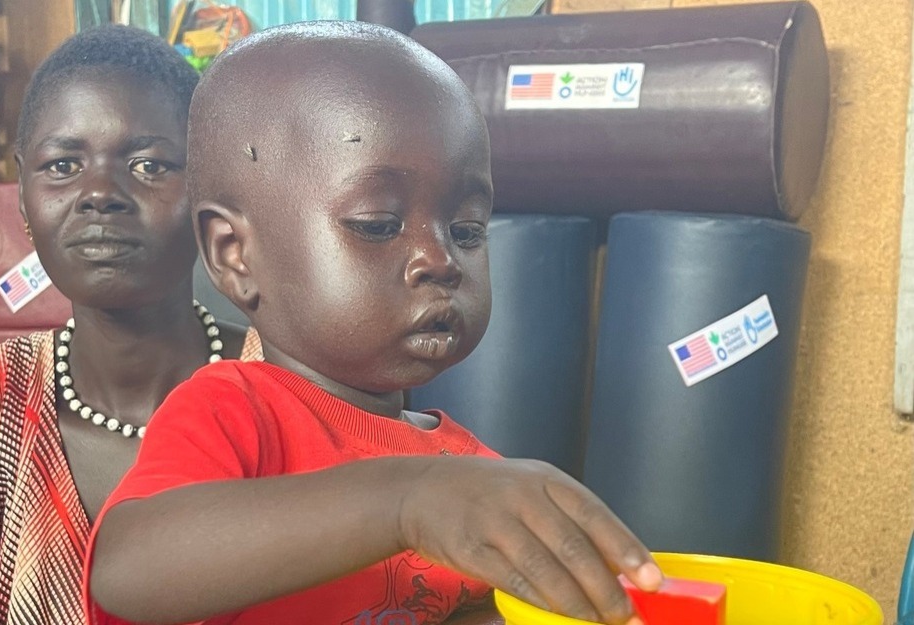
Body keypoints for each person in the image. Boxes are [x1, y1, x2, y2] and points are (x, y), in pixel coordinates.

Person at [87, 21, 661, 625]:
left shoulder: (471, 474)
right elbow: (129, 568)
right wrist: (407, 502)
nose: (439, 259)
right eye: (378, 224)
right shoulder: (232, 411)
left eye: (466, 230)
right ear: (235, 253)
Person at [0, 25, 260, 625]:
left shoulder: (292, 387)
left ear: (209, 187)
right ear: (22, 194)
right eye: (63, 165)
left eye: (148, 164)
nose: (98, 195)